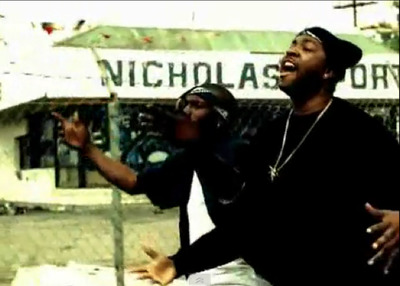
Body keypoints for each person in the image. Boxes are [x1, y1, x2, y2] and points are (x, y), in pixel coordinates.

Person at [130, 27, 399, 286]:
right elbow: (247, 223)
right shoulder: (271, 135)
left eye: (306, 48)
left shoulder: (358, 129)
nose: (291, 52)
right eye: (291, 46)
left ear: (328, 71)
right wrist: (179, 264)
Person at [53, 83, 271, 286]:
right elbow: (134, 182)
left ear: (220, 115)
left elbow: (237, 200)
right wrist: (88, 149)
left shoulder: (243, 152)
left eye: (197, 105)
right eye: (185, 105)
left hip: (244, 277)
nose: (187, 112)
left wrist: (194, 145)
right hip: (197, 274)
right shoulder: (187, 159)